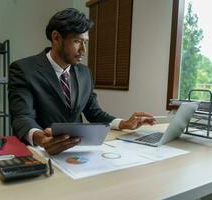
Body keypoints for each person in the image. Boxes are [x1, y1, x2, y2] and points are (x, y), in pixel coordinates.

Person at [8, 8, 155, 155]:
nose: (83, 50)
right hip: (39, 152)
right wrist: (42, 139)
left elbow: (94, 113)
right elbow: (22, 117)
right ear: (56, 38)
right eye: (77, 41)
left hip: (77, 152)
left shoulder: (85, 73)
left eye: (85, 42)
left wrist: (124, 123)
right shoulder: (23, 69)